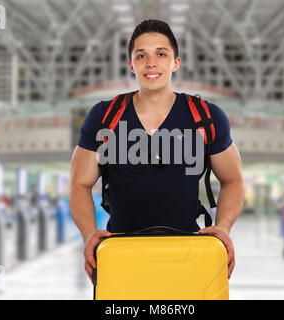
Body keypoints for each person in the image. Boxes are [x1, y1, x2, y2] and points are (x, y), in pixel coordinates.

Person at [69, 19, 245, 282]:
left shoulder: (206, 117)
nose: (151, 63)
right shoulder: (104, 117)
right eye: (141, 56)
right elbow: (79, 184)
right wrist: (88, 234)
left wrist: (223, 228)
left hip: (187, 255)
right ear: (131, 65)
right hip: (119, 256)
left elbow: (233, 180)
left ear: (175, 63)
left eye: (161, 54)